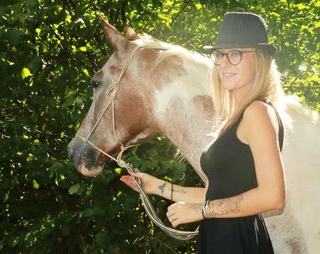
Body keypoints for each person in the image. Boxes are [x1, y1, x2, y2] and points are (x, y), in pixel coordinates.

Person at [120, 12, 286, 253]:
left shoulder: (257, 112)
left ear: (259, 58)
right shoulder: (239, 116)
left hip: (235, 242)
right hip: (225, 239)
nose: (223, 63)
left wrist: (202, 211)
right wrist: (157, 187)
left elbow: (273, 197)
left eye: (235, 54)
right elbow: (218, 193)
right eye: (219, 54)